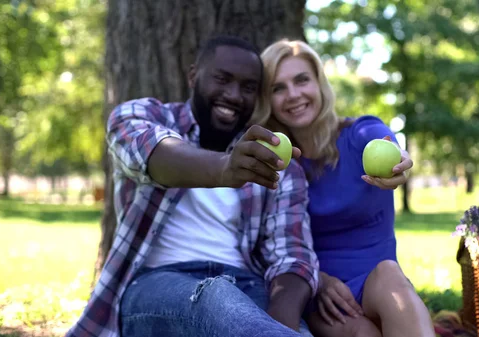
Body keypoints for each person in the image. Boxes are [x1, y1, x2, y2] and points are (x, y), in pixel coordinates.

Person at [254, 39, 479, 337]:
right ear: (268, 98)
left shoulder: (360, 133)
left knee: (390, 277)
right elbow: (271, 239)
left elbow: (386, 144)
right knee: (365, 333)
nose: (293, 95)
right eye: (278, 88)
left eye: (301, 80)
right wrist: (319, 280)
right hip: (323, 292)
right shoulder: (277, 160)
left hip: (378, 280)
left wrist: (399, 162)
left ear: (319, 84)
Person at [65, 35, 320, 337]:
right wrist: (225, 168)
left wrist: (280, 325)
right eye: (222, 79)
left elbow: (292, 255)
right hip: (156, 285)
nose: (234, 95)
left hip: (246, 287)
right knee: (215, 299)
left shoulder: (277, 161)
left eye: (248, 88)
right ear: (193, 75)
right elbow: (151, 152)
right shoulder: (142, 115)